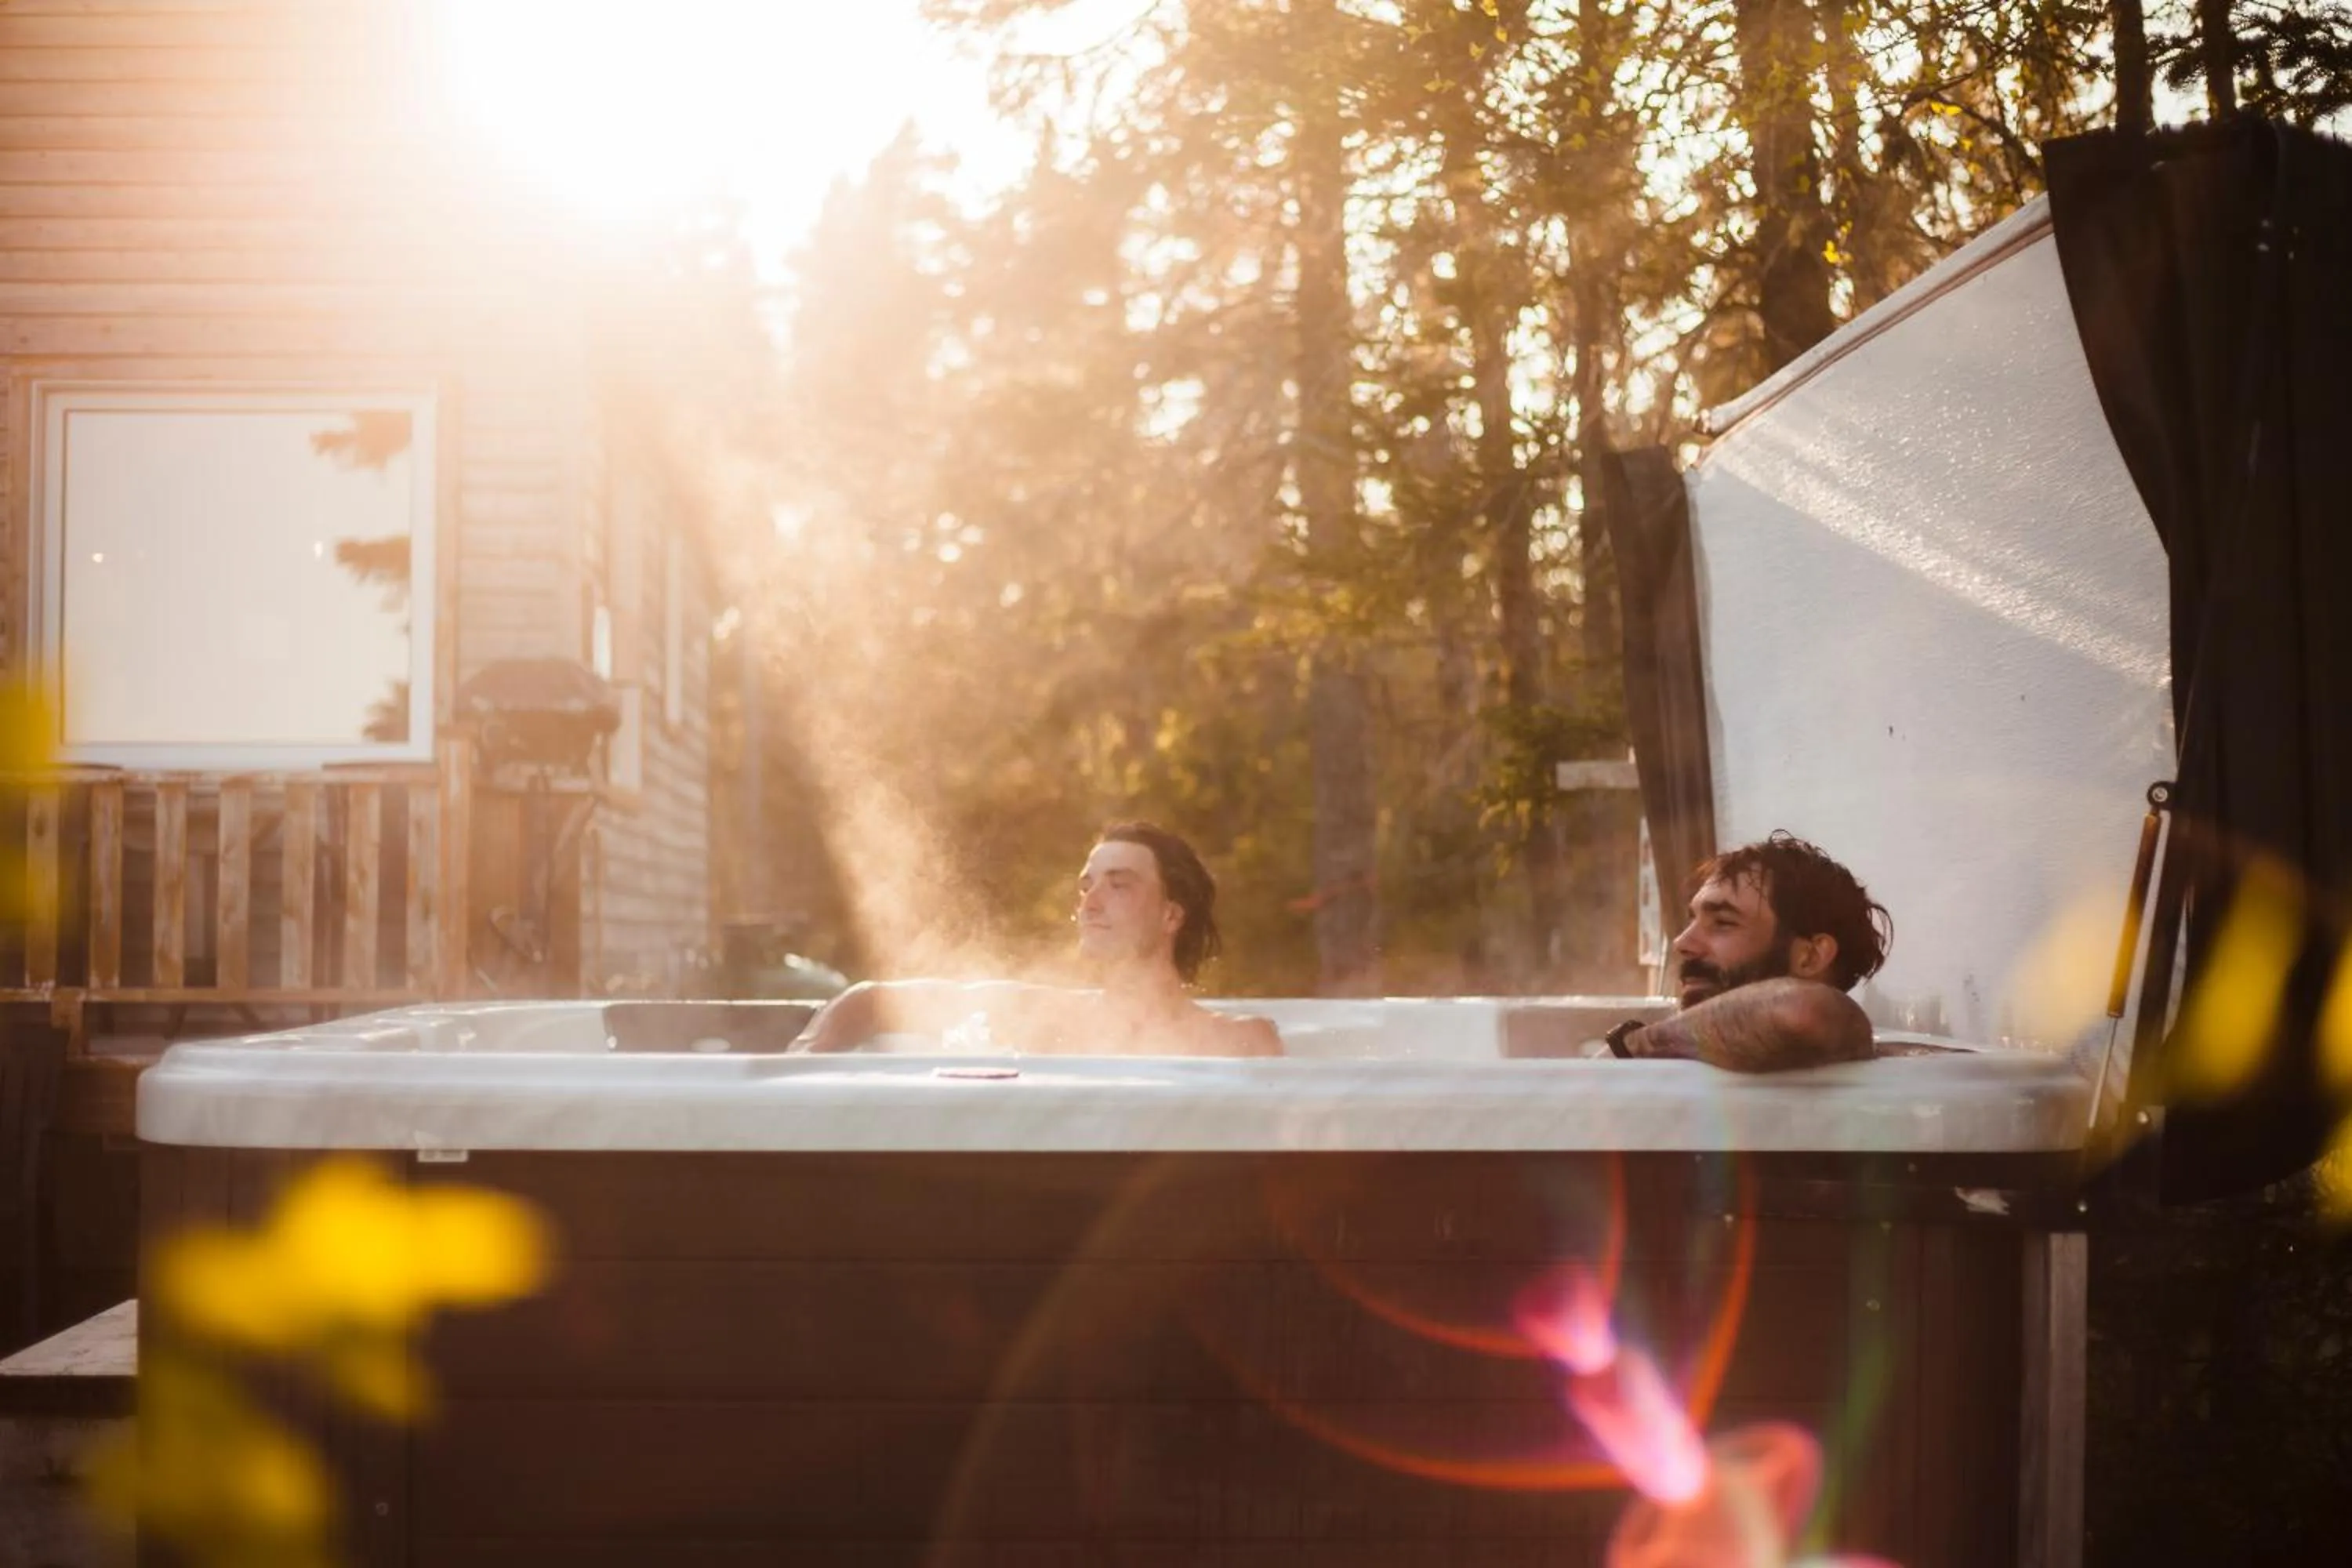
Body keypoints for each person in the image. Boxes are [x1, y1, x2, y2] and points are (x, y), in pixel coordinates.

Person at [789, 822, 1282, 1058]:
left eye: (1119, 885)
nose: (1090, 902)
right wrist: (805, 1060)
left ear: (1171, 914)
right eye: (1086, 886)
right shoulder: (1046, 1017)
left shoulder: (1238, 1040)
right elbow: (872, 1000)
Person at [1605, 831, 1892, 1072]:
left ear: (1810, 957)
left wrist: (1635, 1044)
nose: (1681, 942)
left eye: (1723, 923)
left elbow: (1802, 1009)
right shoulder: (1700, 1062)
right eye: (1692, 920)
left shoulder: (1835, 1033)